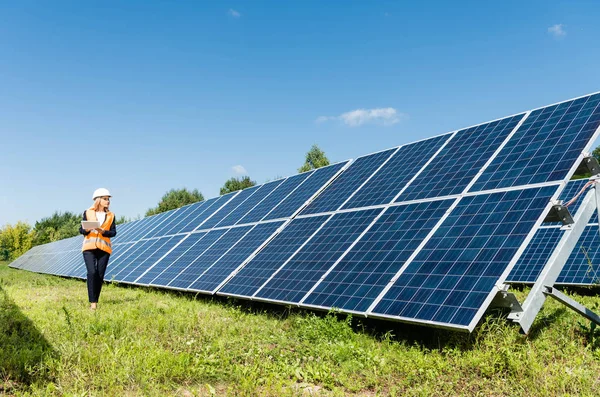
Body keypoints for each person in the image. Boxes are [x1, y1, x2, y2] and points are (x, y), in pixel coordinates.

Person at [79, 188, 117, 310]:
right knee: (92, 273)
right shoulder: (87, 212)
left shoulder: (111, 215)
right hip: (89, 247)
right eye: (105, 199)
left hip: (104, 249)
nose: (108, 201)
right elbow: (81, 230)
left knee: (100, 276)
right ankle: (92, 303)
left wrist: (103, 231)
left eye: (108, 199)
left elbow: (113, 232)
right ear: (98, 200)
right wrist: (88, 229)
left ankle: (95, 301)